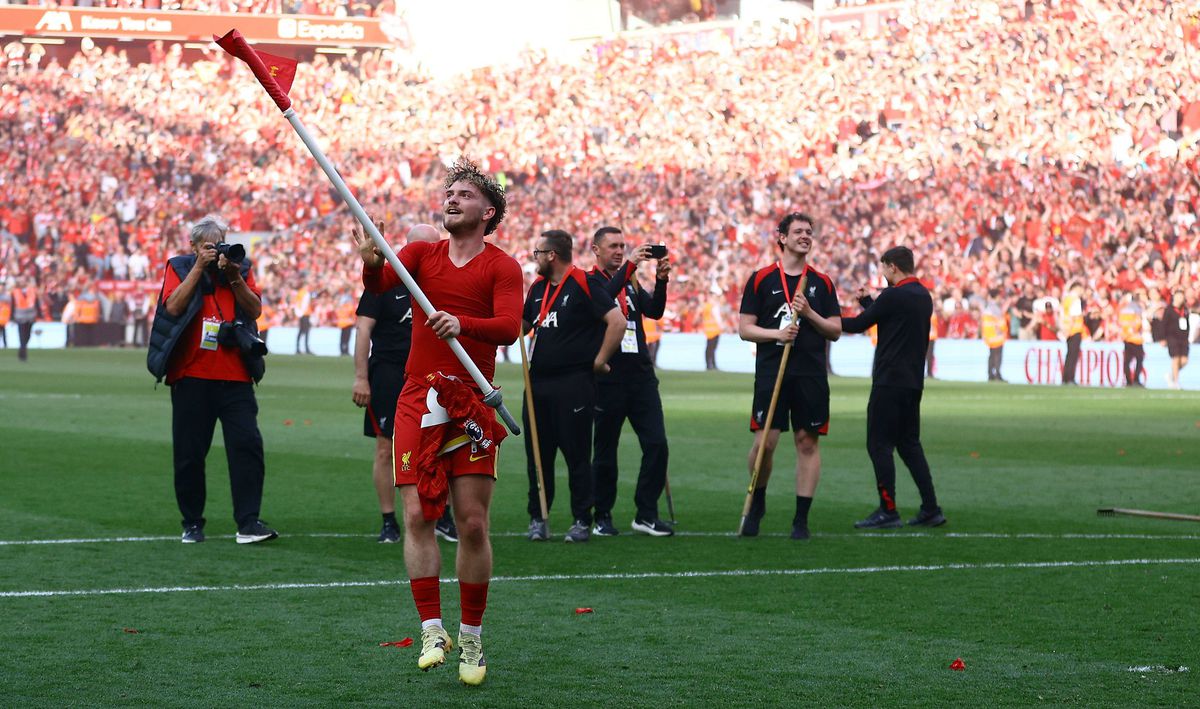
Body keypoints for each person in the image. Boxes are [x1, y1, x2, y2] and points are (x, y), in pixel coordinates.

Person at [352, 158, 522, 686]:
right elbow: (381, 280)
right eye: (449, 193)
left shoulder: (502, 266)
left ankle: (471, 635)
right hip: (417, 398)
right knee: (419, 516)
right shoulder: (422, 253)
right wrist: (369, 261)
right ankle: (432, 628)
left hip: (471, 400)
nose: (451, 199)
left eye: (464, 195)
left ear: (487, 211)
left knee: (471, 521)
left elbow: (509, 327)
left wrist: (462, 322)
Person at [146, 215, 276, 545]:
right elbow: (172, 308)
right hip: (191, 376)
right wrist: (198, 268)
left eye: (218, 244)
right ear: (192, 246)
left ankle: (248, 523)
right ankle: (192, 522)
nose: (215, 250)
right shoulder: (178, 266)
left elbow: (255, 309)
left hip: (235, 376)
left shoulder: (240, 268)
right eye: (207, 246)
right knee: (189, 454)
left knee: (248, 447)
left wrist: (233, 276)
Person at [737, 212, 842, 540]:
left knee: (806, 441)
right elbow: (744, 329)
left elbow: (836, 330)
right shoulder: (761, 279)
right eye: (798, 232)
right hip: (771, 371)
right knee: (765, 443)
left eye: (809, 232)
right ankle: (758, 501)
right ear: (781, 237)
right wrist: (777, 335)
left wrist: (810, 313)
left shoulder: (821, 282)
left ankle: (801, 518)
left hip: (810, 372)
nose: (805, 236)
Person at [352, 223, 457, 544]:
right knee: (386, 448)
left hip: (435, 376)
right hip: (388, 374)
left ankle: (443, 515)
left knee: (443, 447)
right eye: (424, 248)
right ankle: (388, 520)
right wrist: (361, 377)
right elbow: (363, 331)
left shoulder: (445, 284)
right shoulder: (385, 283)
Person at [522, 229, 625, 543]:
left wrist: (599, 360)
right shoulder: (538, 288)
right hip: (537, 382)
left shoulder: (585, 283)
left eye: (538, 253)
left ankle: (582, 518)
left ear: (551, 255)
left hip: (574, 383)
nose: (535, 259)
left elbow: (617, 321)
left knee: (576, 454)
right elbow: (522, 326)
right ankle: (538, 517)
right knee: (537, 454)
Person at [841, 246, 945, 529]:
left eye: (883, 268)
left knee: (878, 445)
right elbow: (892, 318)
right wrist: (869, 303)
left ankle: (888, 509)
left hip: (888, 381)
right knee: (910, 445)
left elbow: (859, 324)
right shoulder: (923, 296)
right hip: (912, 382)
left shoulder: (893, 295)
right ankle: (931, 507)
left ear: (892, 267)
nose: (883, 274)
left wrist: (818, 320)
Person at [588, 226, 674, 537]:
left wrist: (661, 280)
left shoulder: (632, 281)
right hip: (608, 379)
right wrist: (631, 267)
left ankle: (646, 513)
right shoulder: (591, 282)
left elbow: (655, 311)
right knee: (606, 451)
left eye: (622, 246)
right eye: (612, 246)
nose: (619, 250)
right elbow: (604, 299)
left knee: (657, 444)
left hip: (641, 377)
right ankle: (603, 514)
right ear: (596, 249)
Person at [1163, 291, 1190, 389]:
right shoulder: (1169, 310)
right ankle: (1176, 382)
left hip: (1183, 338)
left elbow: (1187, 324)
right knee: (1176, 359)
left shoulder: (1185, 310)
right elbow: (1164, 324)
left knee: (1184, 361)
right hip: (1172, 337)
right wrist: (1163, 338)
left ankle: (1171, 375)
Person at [1118, 292, 1145, 387]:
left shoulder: (1123, 309)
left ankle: (1128, 381)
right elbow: (1137, 323)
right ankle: (1136, 380)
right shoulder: (1137, 308)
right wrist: (1132, 331)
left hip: (1126, 338)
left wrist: (1126, 334)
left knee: (1127, 361)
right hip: (1136, 339)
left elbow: (1121, 323)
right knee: (1139, 359)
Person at [1060, 283, 1085, 385]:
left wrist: (1064, 330)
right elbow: (1074, 317)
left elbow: (1063, 315)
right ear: (1076, 288)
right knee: (1073, 356)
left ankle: (1065, 378)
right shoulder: (1075, 300)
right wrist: (1069, 330)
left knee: (1068, 355)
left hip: (1067, 329)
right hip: (1074, 330)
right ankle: (1070, 378)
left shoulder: (1066, 299)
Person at [980, 291, 1007, 382]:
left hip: (990, 336)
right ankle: (997, 374)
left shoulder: (987, 307)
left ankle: (990, 374)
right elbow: (998, 321)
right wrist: (1000, 330)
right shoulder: (995, 308)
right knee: (997, 356)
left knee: (991, 355)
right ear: (996, 297)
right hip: (996, 336)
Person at [11, 276, 38, 362]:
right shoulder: (15, 292)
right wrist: (12, 317)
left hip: (30, 316)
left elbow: (36, 302)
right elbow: (13, 305)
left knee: (28, 335)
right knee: (22, 336)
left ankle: (22, 349)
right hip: (20, 316)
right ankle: (23, 354)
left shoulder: (31, 290)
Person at [702, 294, 722, 370]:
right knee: (711, 349)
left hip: (713, 331)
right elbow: (718, 318)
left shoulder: (709, 307)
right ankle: (710, 365)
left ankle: (711, 365)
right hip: (713, 331)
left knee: (711, 349)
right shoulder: (710, 307)